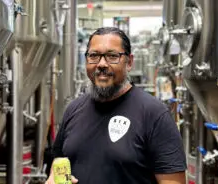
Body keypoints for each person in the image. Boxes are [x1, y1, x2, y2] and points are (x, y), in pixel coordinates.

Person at [46, 27, 186, 184]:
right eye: (94, 56)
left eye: (112, 56)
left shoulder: (154, 114)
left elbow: (173, 181)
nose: (102, 64)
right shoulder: (73, 109)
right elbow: (58, 164)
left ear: (129, 62)